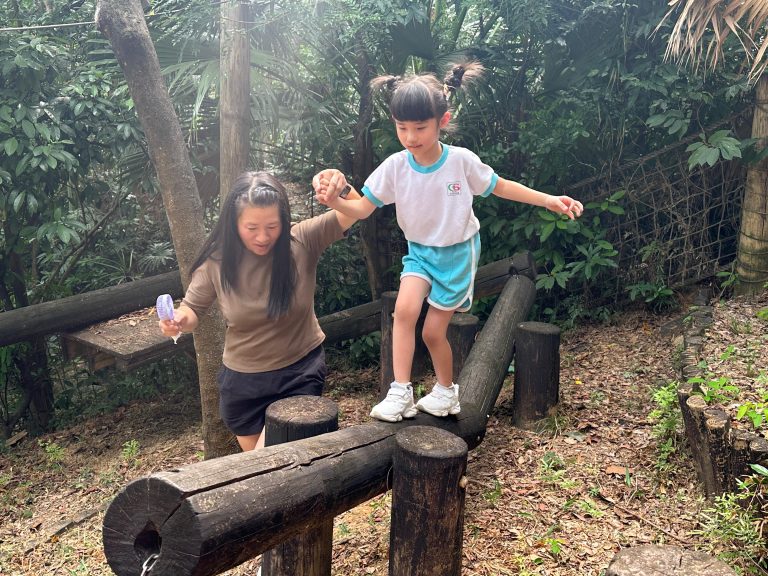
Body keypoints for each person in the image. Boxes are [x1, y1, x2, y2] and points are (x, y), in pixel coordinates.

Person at [314, 62, 583, 423]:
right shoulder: (395, 166)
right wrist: (334, 201)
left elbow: (500, 186)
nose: (410, 137)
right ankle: (401, 391)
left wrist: (548, 200)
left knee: (432, 332)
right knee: (403, 311)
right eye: (402, 128)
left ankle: (446, 391)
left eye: (419, 127)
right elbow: (362, 208)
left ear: (442, 121)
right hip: (419, 254)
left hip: (457, 254)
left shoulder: (460, 162)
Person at [159, 171, 360, 451]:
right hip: (243, 386)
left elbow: (357, 208)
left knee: (274, 463)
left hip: (299, 373)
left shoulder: (302, 240)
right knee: (267, 470)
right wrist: (178, 320)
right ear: (233, 223)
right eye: (251, 227)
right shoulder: (217, 261)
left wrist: (340, 185)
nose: (263, 237)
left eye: (272, 226)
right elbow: (192, 308)